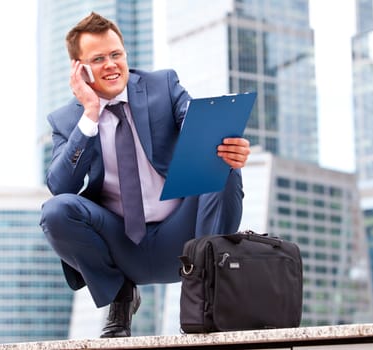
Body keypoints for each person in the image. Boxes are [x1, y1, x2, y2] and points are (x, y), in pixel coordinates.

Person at [39, 12, 251, 338]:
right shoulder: (67, 120)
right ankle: (120, 296)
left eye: (116, 54)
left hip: (183, 236)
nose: (111, 64)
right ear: (79, 70)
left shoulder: (162, 86)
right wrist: (90, 116)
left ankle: (206, 290)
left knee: (219, 161)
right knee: (55, 212)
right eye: (98, 59)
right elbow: (59, 186)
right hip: (121, 246)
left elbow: (200, 129)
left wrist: (232, 149)